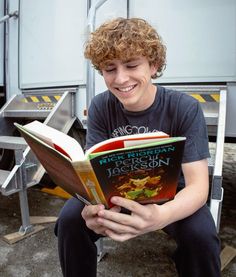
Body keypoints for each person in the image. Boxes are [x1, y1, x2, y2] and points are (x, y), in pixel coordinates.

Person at [55, 17, 221, 277]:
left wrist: (162, 216)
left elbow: (198, 187)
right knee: (69, 221)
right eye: (110, 69)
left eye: (132, 65)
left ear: (153, 65)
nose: (121, 79)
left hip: (171, 193)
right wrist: (92, 207)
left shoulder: (184, 107)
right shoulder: (101, 105)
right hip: (114, 193)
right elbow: (92, 172)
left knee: (201, 236)